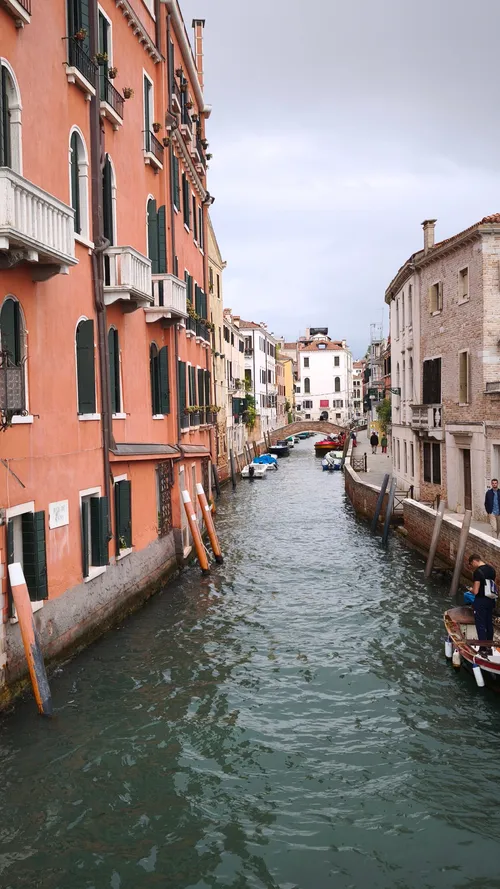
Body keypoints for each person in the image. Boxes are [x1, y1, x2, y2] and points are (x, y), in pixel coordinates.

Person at [468, 554, 497, 658]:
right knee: (489, 623)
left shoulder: (478, 572)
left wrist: (470, 590)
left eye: (471, 564)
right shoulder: (492, 570)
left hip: (481, 600)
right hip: (491, 600)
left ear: (474, 561)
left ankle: (483, 649)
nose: (472, 566)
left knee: (480, 624)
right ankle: (489, 647)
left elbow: (476, 591)